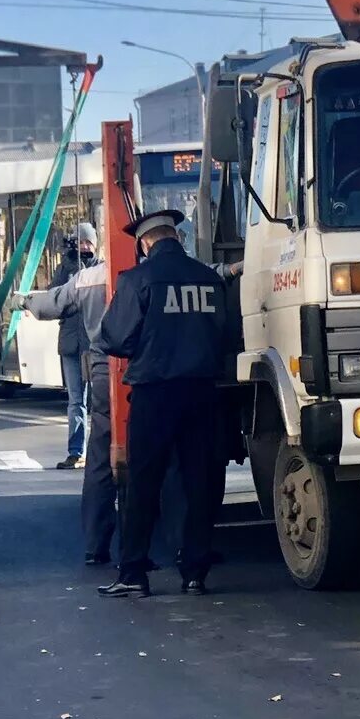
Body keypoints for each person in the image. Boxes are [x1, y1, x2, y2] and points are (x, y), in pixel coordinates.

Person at [94, 207, 236, 598]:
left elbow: (115, 339)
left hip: (155, 394)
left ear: (145, 243)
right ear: (177, 237)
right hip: (204, 393)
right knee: (199, 481)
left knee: (142, 483)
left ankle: (134, 573)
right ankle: (194, 573)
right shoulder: (209, 280)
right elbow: (228, 337)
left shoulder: (137, 280)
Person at [26, 235, 115, 563]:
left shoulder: (87, 278)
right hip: (142, 369)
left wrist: (27, 301)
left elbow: (51, 302)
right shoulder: (140, 271)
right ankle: (180, 548)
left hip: (101, 364)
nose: (85, 248)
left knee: (101, 460)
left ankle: (97, 546)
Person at [44, 222, 98, 469]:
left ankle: (100, 450)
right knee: (76, 401)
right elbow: (53, 297)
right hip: (70, 345)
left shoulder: (100, 268)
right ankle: (76, 452)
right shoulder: (65, 267)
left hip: (95, 345)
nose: (85, 246)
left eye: (88, 242)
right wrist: (68, 264)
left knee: (101, 401)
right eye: (81, 242)